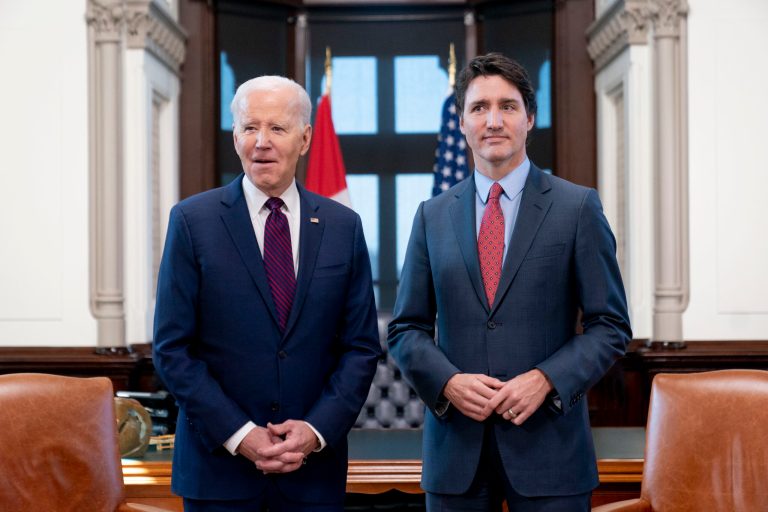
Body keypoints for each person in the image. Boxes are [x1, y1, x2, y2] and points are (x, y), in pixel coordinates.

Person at [388, 53, 632, 511]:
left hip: (551, 453)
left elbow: (611, 326)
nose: (494, 120)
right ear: (462, 122)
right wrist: (448, 382)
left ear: (530, 118)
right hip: (456, 456)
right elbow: (405, 329)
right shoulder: (431, 216)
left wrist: (546, 379)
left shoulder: (577, 208)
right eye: (479, 107)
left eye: (508, 106)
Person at [153, 75, 381, 511]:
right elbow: (172, 349)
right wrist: (240, 434)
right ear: (235, 137)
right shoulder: (192, 222)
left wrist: (315, 430)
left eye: (277, 128)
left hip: (312, 475)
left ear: (305, 138)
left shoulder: (343, 227)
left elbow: (361, 348)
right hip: (218, 474)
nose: (262, 142)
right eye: (250, 127)